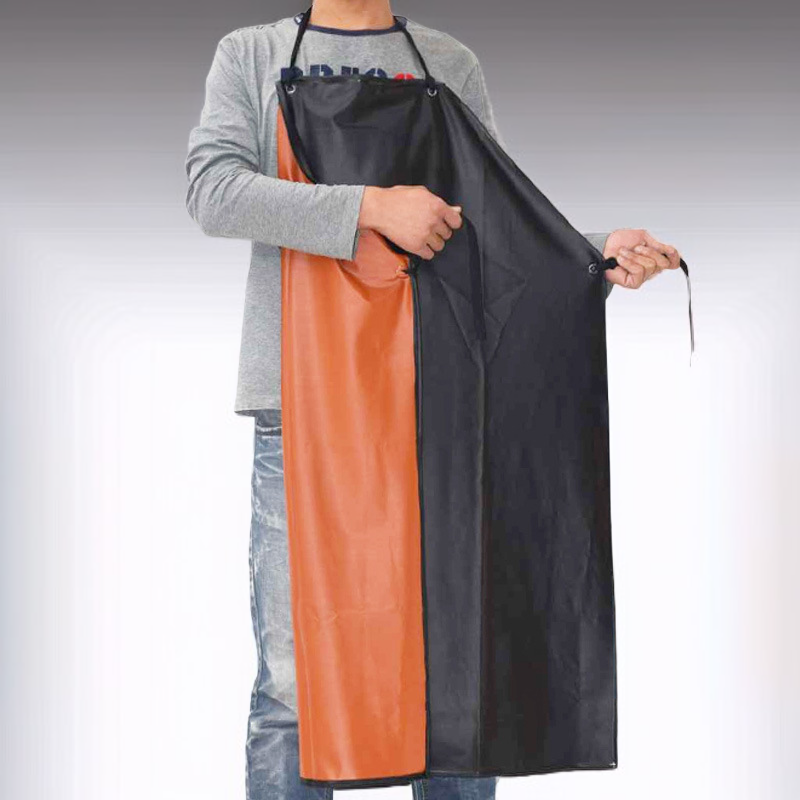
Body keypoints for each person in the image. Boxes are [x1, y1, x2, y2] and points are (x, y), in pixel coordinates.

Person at [184, 2, 684, 798]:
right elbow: (214, 191)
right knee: (295, 687)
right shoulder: (253, 53)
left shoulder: (447, 62)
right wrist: (370, 206)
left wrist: (593, 255)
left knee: (461, 672)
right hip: (302, 407)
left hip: (441, 403)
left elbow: (492, 229)